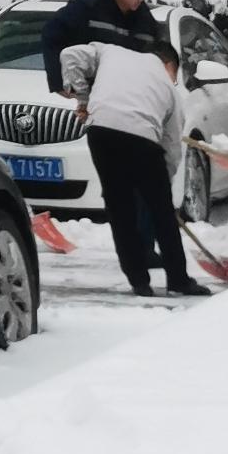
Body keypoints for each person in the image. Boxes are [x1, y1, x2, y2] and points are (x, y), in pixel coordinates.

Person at [62, 35, 207, 298]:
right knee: (162, 214)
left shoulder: (109, 50)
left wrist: (84, 97)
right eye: (174, 73)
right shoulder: (169, 88)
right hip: (142, 137)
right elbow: (172, 146)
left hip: (100, 131)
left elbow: (69, 55)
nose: (173, 79)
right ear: (168, 64)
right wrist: (162, 186)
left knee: (119, 209)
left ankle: (139, 282)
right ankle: (178, 280)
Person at [40, 0, 155, 95]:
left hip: (129, 94)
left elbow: (154, 57)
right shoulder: (88, 5)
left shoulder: (144, 18)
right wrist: (58, 83)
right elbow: (51, 34)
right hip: (92, 93)